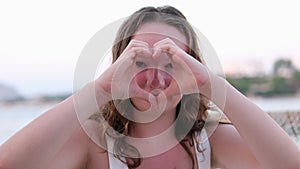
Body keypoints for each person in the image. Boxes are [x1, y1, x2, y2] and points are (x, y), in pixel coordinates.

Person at [0, 5, 299, 169]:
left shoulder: (208, 141)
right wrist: (100, 90)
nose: (155, 79)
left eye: (171, 64)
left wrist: (211, 84)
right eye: (140, 63)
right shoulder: (94, 144)